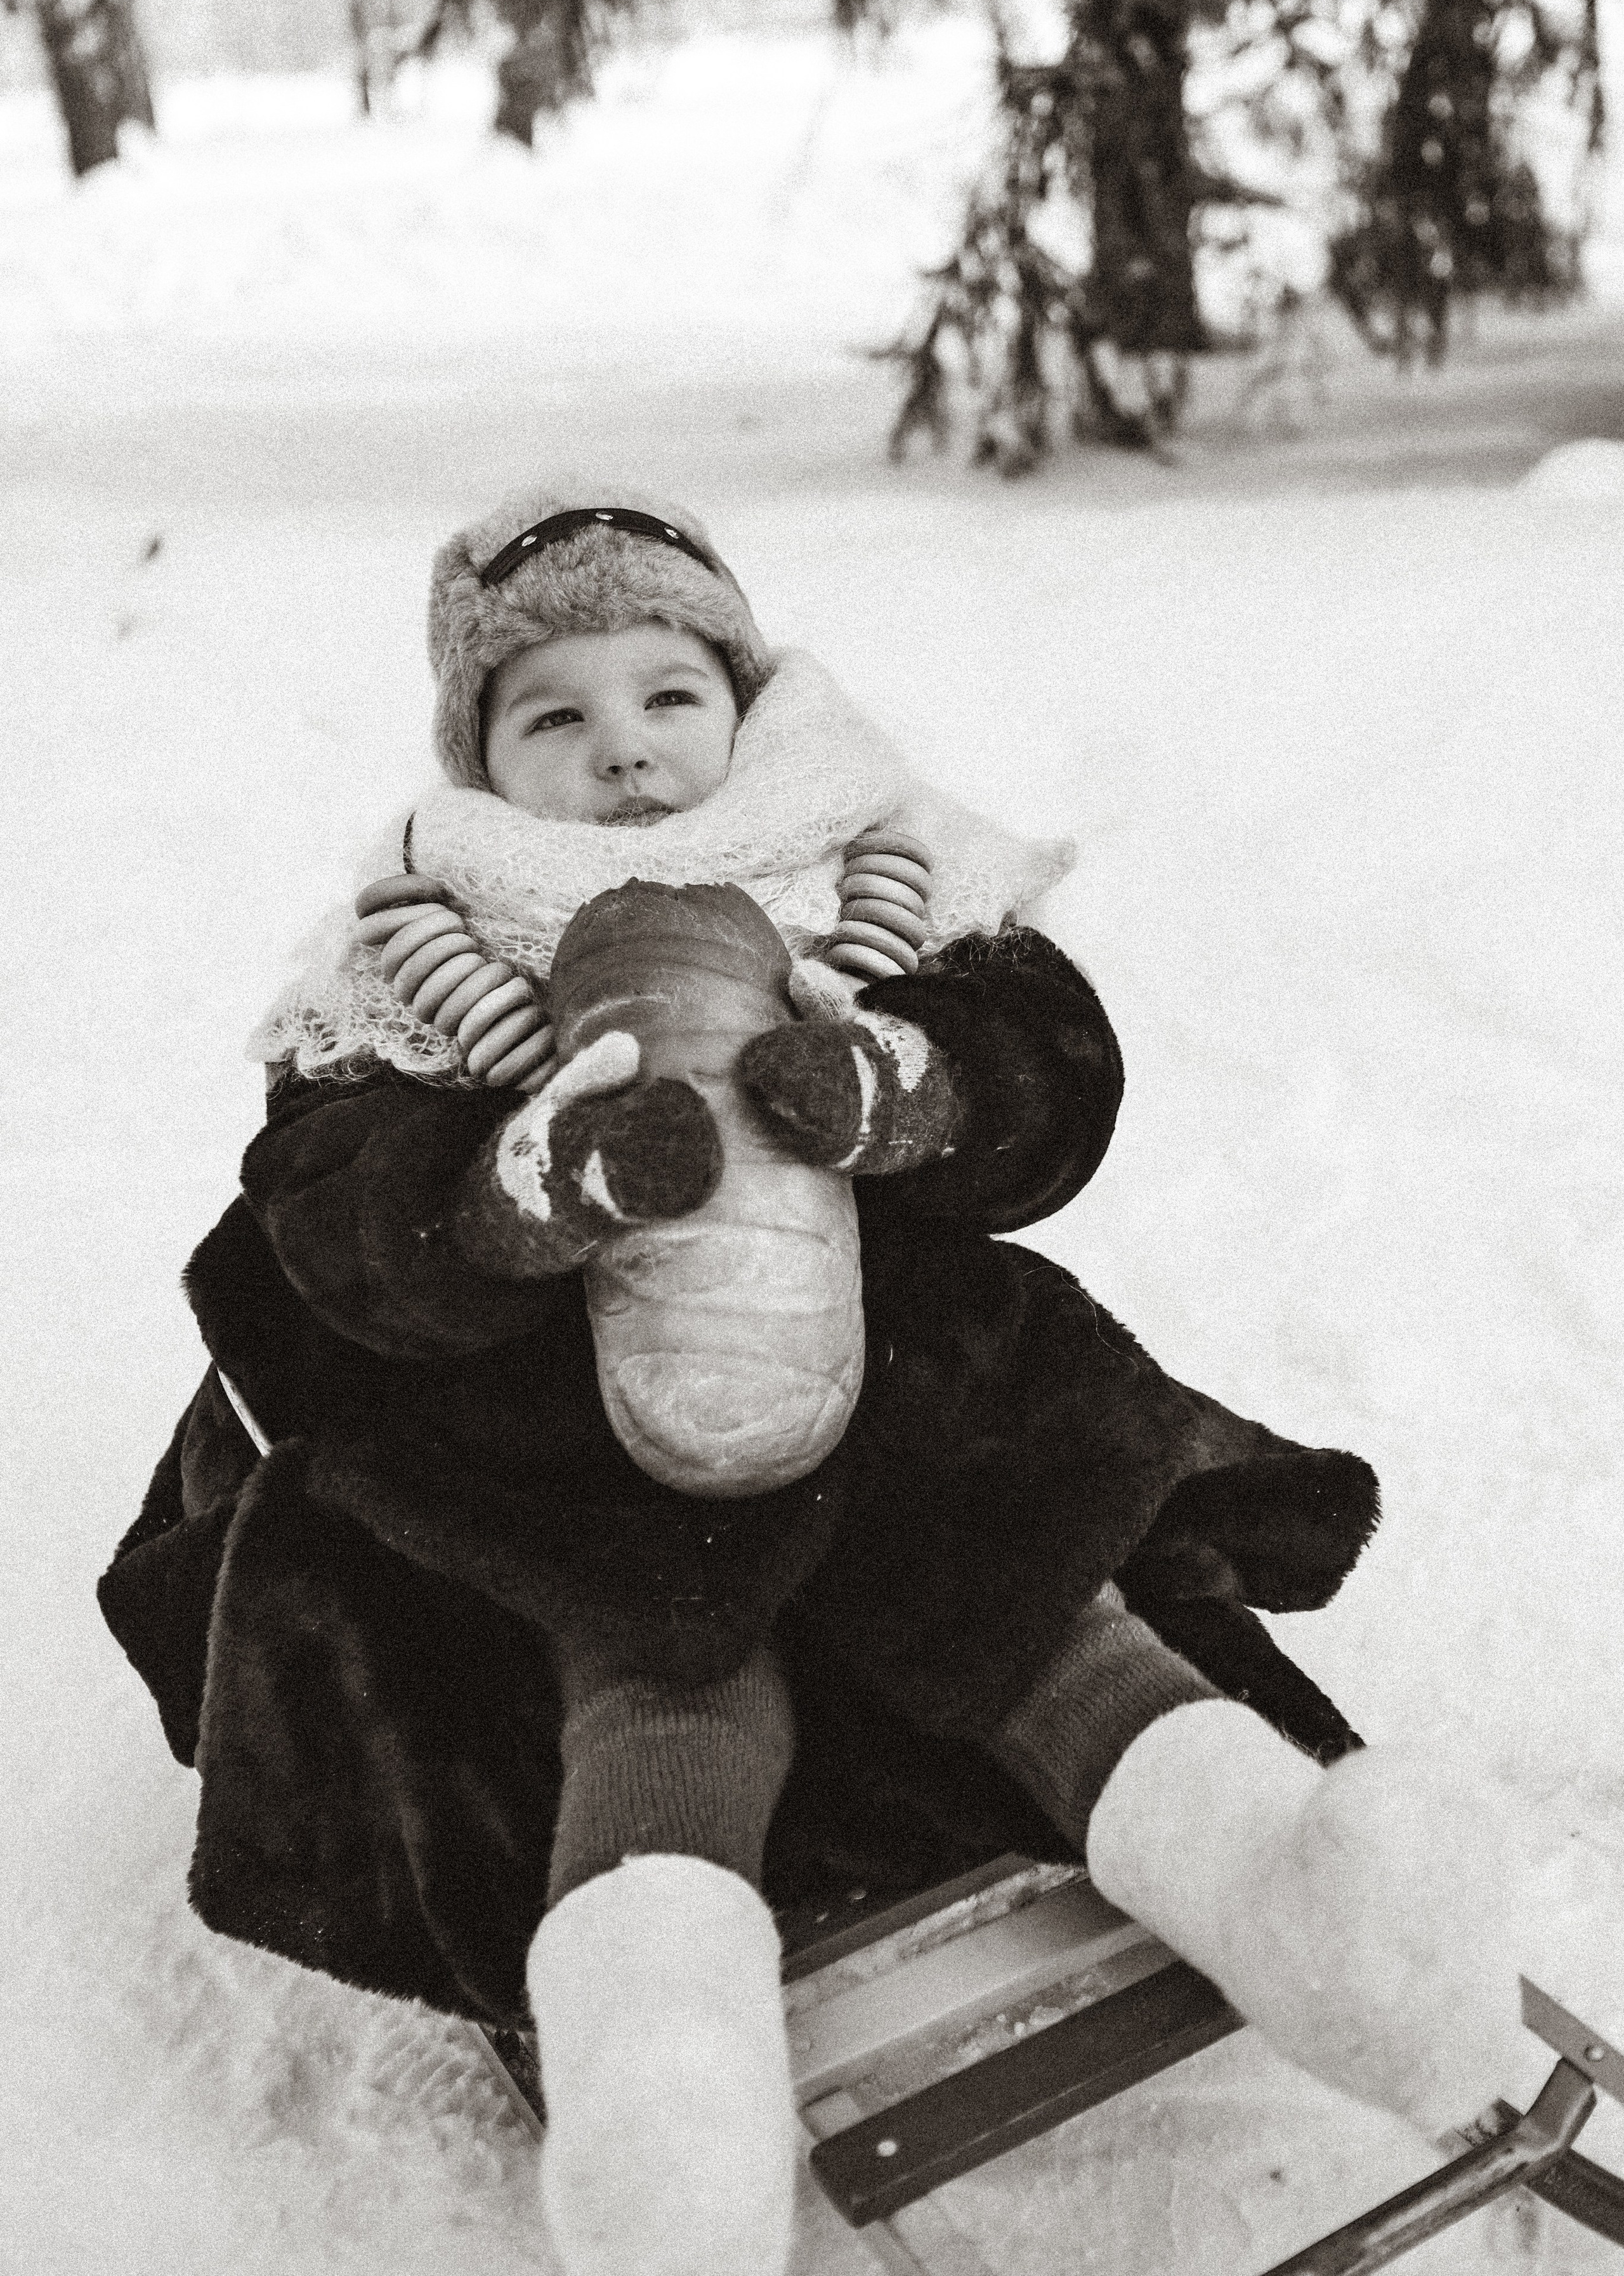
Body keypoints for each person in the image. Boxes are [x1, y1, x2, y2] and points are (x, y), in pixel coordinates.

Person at [99, 489, 1529, 2276]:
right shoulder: (420, 953)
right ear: (481, 759)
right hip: (592, 1458)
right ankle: (670, 2090)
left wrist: (917, 1092)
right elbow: (326, 1214)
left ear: (743, 694)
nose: (622, 750)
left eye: (667, 693)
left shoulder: (870, 865)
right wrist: (509, 1196)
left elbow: (1048, 1072)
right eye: (555, 716)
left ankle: (1296, 1900)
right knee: (659, 1683)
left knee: (1032, 1601)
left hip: (898, 1402)